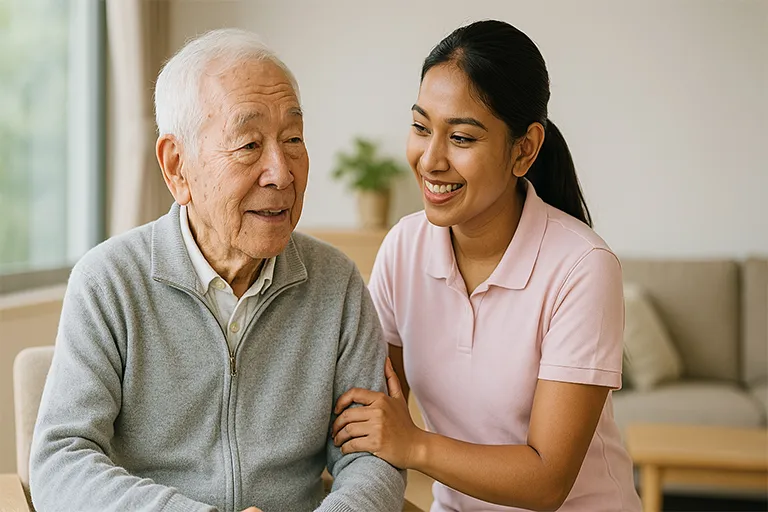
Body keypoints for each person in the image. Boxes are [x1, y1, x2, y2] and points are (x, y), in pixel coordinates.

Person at [29, 28, 405, 512]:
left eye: (293, 139)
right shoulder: (109, 282)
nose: (281, 172)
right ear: (177, 167)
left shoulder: (337, 284)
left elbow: (373, 456)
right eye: (249, 144)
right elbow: (60, 460)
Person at [330, 20, 643, 512]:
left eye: (461, 138)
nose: (430, 160)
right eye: (420, 127)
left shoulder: (583, 267)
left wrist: (413, 444)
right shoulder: (403, 249)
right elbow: (368, 413)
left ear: (525, 149)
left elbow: (546, 481)